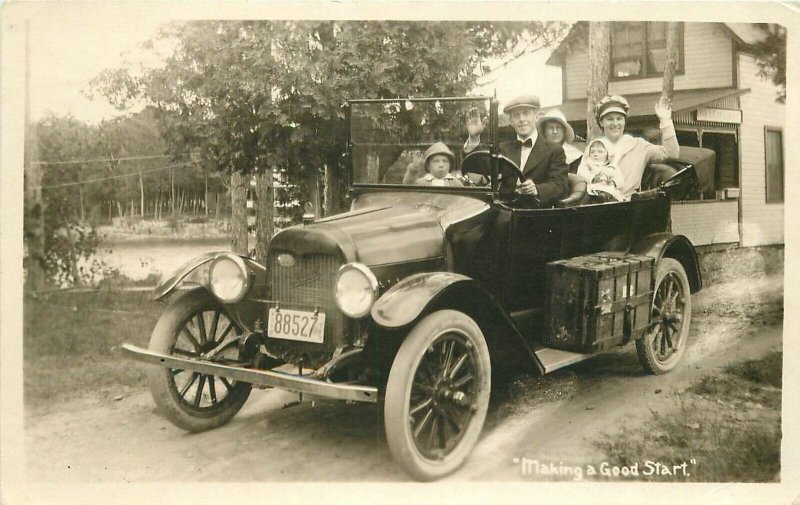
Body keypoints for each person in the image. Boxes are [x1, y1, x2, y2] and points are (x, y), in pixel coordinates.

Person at [465, 95, 569, 206]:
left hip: (536, 212)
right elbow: (476, 166)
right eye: (516, 115)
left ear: (537, 116)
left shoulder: (554, 151)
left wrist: (536, 189)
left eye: (526, 113)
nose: (521, 119)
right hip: (504, 209)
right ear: (511, 121)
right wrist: (474, 137)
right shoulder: (504, 148)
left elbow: (560, 185)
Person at [577, 95, 679, 199]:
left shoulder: (638, 145)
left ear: (625, 121)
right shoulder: (594, 146)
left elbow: (672, 153)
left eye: (619, 119)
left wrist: (666, 121)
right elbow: (581, 172)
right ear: (601, 122)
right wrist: (594, 179)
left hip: (627, 205)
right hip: (596, 201)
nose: (615, 123)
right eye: (609, 119)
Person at [577, 138, 625, 202]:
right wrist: (592, 178)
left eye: (600, 152)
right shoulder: (587, 165)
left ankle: (603, 199)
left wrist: (614, 182)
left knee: (612, 196)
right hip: (591, 188)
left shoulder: (612, 167)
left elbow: (620, 179)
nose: (595, 154)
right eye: (592, 152)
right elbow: (581, 174)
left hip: (608, 189)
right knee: (585, 196)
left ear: (607, 154)